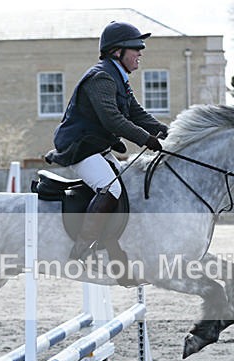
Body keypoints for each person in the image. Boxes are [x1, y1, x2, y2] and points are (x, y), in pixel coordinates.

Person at [45, 21, 168, 261]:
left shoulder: (118, 78)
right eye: (135, 47)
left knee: (126, 184)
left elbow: (136, 114)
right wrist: (147, 139)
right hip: (79, 147)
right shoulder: (101, 78)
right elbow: (113, 121)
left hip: (95, 146)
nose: (140, 52)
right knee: (110, 187)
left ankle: (114, 247)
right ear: (116, 51)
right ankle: (82, 249)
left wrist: (167, 132)